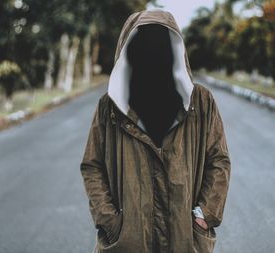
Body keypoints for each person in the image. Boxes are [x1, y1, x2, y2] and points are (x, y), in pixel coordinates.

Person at [80, 9, 231, 253]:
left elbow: (218, 160)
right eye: (144, 44)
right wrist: (110, 221)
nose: (152, 52)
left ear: (174, 49)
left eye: (160, 44)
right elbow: (92, 165)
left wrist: (205, 214)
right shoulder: (110, 107)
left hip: (185, 241)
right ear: (130, 50)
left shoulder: (201, 102)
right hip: (127, 243)